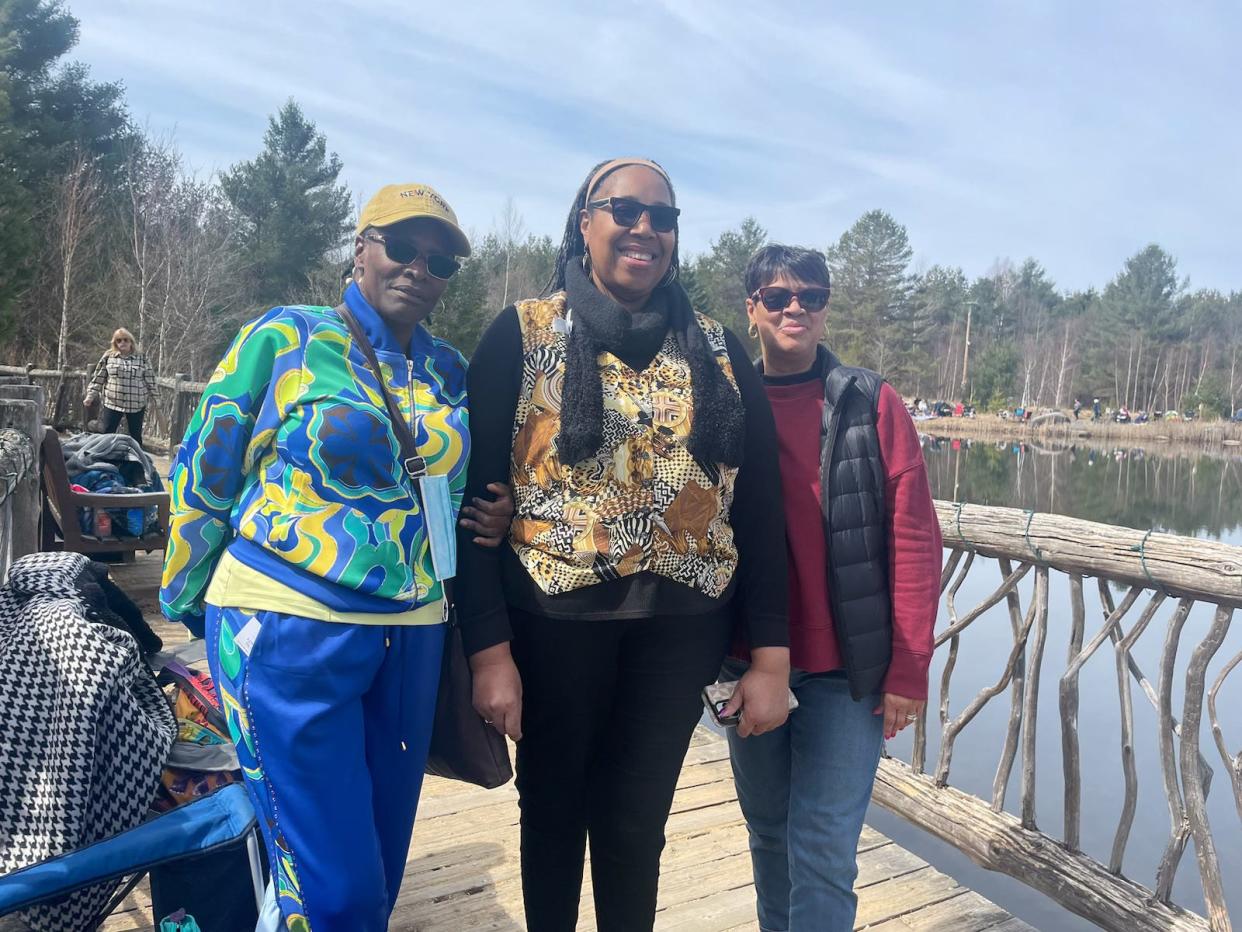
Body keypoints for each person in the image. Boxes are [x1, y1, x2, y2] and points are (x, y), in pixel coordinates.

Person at [159, 183, 512, 932]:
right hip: (286, 624)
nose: (421, 267)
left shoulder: (449, 370)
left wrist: (495, 511)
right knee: (333, 890)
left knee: (375, 870)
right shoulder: (286, 339)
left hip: (413, 635)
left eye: (441, 259)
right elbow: (205, 466)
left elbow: (454, 485)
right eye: (402, 247)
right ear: (360, 248)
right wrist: (188, 598)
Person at [457, 158, 791, 931]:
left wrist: (771, 658)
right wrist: (488, 651)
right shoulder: (524, 333)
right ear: (585, 221)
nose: (645, 228)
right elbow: (471, 505)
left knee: (636, 826)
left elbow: (762, 508)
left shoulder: (717, 350)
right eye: (625, 210)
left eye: (662, 217)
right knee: (550, 817)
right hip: (548, 623)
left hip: (682, 630)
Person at [723, 245, 942, 932]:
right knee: (766, 833)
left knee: (822, 846)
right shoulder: (725, 403)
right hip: (750, 661)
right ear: (751, 307)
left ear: (825, 309)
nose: (796, 308)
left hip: (848, 672)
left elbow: (914, 539)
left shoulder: (868, 402)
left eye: (811, 296)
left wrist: (907, 669)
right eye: (779, 295)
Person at [83, 327, 157, 448]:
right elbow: (98, 378)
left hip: (136, 404)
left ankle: (136, 462)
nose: (122, 343)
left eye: (125, 340)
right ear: (115, 342)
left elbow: (151, 380)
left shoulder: (142, 358)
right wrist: (90, 396)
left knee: (135, 436)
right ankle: (104, 459)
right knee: (107, 432)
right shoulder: (108, 357)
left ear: (131, 342)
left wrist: (157, 400)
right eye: (119, 340)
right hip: (113, 402)